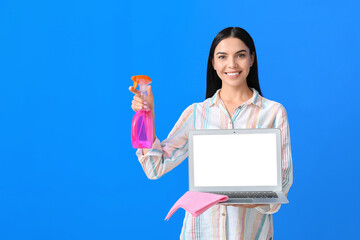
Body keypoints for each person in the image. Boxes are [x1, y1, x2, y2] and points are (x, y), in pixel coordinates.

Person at [129, 27, 293, 240]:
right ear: (213, 63)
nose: (232, 64)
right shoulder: (197, 113)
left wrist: (254, 199)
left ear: (252, 59)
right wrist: (147, 116)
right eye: (222, 57)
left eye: (240, 55)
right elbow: (154, 168)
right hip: (199, 233)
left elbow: (284, 180)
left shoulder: (273, 112)